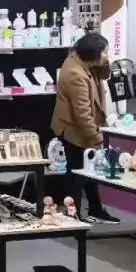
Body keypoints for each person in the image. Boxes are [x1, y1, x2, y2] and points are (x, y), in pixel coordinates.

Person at [51, 32, 119, 223]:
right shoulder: (75, 74)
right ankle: (73, 215)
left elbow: (105, 75)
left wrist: (105, 61)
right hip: (73, 130)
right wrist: (98, 138)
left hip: (82, 127)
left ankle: (95, 209)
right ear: (92, 55)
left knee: (89, 170)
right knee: (76, 173)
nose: (107, 54)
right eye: (104, 52)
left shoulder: (85, 62)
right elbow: (82, 114)